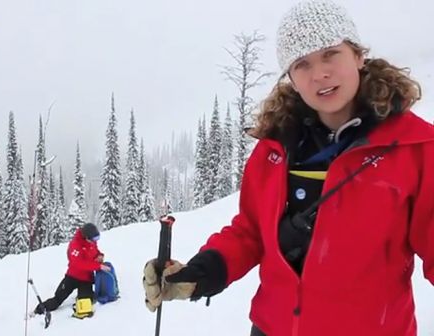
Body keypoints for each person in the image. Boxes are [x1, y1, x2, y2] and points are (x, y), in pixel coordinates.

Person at [142, 1, 434, 335]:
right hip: (273, 327)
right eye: (302, 63)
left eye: (330, 54)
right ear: (292, 78)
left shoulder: (414, 148)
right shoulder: (275, 149)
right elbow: (251, 231)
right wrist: (201, 272)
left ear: (357, 55)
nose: (319, 73)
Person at [34, 223, 110, 319]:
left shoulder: (91, 242)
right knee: (57, 299)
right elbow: (78, 264)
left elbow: (95, 251)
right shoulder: (75, 245)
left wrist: (99, 255)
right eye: (94, 239)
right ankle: (38, 311)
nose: (95, 241)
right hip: (72, 277)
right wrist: (98, 266)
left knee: (85, 304)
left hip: (86, 279)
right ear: (86, 237)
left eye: (96, 239)